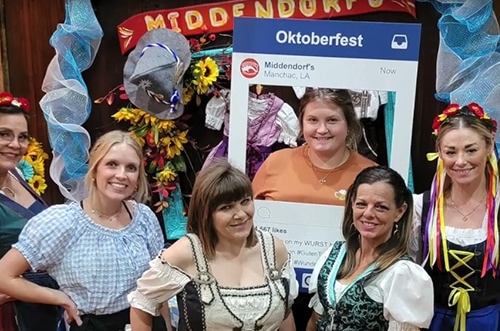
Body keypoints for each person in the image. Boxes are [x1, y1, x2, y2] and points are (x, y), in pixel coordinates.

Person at [0, 130, 165, 330]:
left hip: (148, 323)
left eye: (131, 168)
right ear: (95, 170)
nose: (121, 175)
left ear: (138, 177)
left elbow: (159, 284)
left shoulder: (144, 218)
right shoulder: (62, 222)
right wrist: (58, 297)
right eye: (111, 164)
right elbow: (4, 276)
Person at [252, 87, 377, 329]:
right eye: (312, 120)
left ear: (348, 124)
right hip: (273, 287)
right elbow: (249, 220)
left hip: (339, 292)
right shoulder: (276, 163)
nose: (322, 129)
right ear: (301, 124)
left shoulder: (369, 174)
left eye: (332, 120)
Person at [128, 159, 299, 331]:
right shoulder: (186, 252)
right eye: (226, 207)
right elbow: (143, 301)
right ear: (206, 214)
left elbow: (285, 312)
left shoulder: (274, 249)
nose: (240, 214)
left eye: (245, 201)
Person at [307, 165, 434, 330]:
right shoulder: (335, 254)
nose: (368, 213)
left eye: (381, 207)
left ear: (400, 212)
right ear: (352, 204)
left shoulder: (402, 274)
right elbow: (315, 321)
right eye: (361, 204)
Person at [410, 103, 500, 330]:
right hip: (433, 321)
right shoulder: (423, 206)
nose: (460, 161)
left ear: (489, 146)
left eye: (471, 150)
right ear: (439, 152)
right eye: (451, 152)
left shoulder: (498, 207)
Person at [0, 91, 62, 331]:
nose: (15, 145)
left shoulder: (15, 174)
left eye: (22, 137)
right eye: (4, 134)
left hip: (43, 310)